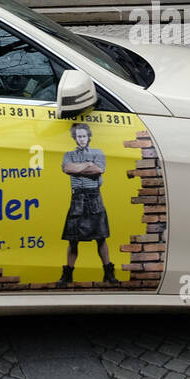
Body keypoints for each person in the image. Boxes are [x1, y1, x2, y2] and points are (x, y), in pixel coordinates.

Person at [59, 121, 116, 285]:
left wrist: (82, 169)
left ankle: (108, 273)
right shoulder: (69, 155)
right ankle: (67, 275)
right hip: (77, 198)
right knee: (73, 239)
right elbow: (68, 168)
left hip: (94, 197)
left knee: (101, 237)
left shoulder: (98, 152)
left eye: (84, 136)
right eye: (79, 137)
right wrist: (88, 165)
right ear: (75, 138)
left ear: (88, 137)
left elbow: (99, 170)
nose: (82, 139)